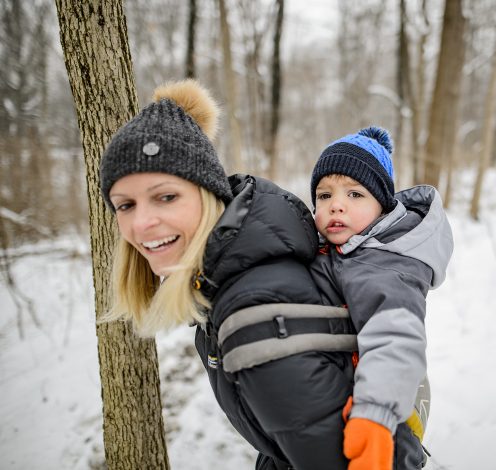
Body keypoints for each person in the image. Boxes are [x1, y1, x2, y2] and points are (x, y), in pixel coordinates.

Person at [99, 79, 358, 470]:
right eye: (125, 205)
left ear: (208, 194)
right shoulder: (228, 276)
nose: (142, 222)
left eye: (166, 196)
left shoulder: (256, 310)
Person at [309, 127, 454, 469]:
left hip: (381, 420)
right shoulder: (342, 250)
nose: (336, 206)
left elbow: (395, 337)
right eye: (324, 195)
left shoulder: (385, 264)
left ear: (383, 207)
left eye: (355, 195)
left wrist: (375, 415)